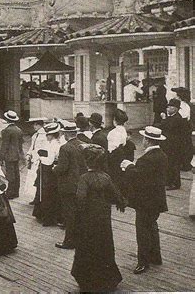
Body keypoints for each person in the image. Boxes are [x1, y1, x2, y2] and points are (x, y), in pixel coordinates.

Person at [71, 145, 124, 292]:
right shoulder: (105, 177)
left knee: (87, 247)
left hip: (88, 219)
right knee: (104, 246)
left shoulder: (84, 179)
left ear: (87, 161)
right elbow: (117, 197)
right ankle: (107, 279)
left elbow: (80, 200)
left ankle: (88, 281)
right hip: (103, 218)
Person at [121, 126, 168, 274]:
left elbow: (139, 178)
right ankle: (156, 256)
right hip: (157, 200)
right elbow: (150, 177)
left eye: (144, 138)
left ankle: (143, 261)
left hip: (145, 201)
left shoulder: (147, 159)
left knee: (142, 230)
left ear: (147, 140)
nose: (142, 141)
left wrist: (128, 167)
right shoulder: (161, 155)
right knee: (152, 226)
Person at [53, 122, 87, 249]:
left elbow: (62, 168)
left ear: (66, 134)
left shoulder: (65, 148)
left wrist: (54, 168)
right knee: (79, 213)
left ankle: (69, 241)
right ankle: (80, 239)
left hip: (68, 186)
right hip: (81, 184)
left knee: (69, 214)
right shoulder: (82, 145)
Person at [33, 122, 61, 226]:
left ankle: (49, 218)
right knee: (46, 193)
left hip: (50, 171)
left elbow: (49, 160)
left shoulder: (55, 145)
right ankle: (44, 215)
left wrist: (40, 157)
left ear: (53, 135)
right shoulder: (50, 143)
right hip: (46, 171)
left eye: (48, 135)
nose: (47, 136)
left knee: (49, 194)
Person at [160, 99, 185, 190]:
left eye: (171, 107)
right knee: (168, 163)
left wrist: (164, 119)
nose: (168, 108)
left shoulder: (177, 118)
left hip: (174, 146)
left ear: (176, 109)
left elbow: (168, 127)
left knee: (173, 164)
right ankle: (168, 181)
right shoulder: (171, 117)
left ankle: (175, 183)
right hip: (168, 144)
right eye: (168, 106)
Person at [0, 110, 24, 199]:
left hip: (9, 155)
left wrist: (1, 157)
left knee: (10, 174)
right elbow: (21, 143)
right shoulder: (19, 130)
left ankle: (10, 192)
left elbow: (4, 145)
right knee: (16, 173)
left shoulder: (7, 130)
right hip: (16, 155)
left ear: (7, 119)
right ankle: (16, 192)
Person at [24, 118, 47, 202]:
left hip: (39, 160)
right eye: (34, 124)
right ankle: (35, 197)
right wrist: (28, 154)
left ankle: (38, 198)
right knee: (32, 179)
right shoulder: (35, 135)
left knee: (37, 178)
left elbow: (43, 149)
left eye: (36, 124)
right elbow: (32, 146)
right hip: (33, 159)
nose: (34, 126)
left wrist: (38, 157)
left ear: (40, 125)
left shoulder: (44, 135)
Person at [171, 86, 193, 171]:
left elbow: (181, 118)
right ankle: (184, 163)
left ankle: (185, 164)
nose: (174, 97)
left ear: (179, 96)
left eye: (176, 95)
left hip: (182, 127)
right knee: (184, 145)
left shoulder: (183, 106)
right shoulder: (185, 105)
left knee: (183, 146)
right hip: (184, 127)